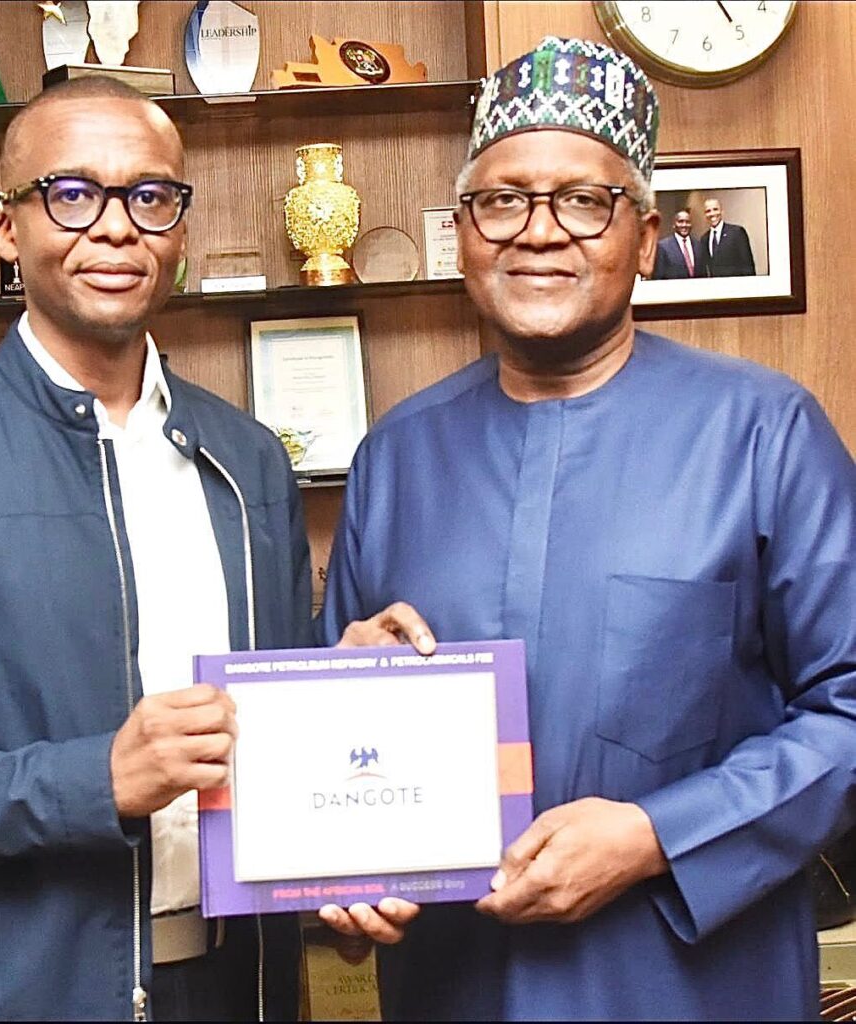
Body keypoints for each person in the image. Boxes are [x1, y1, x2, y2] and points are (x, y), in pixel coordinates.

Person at [316, 36, 856, 1021]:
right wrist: (339, 856)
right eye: (502, 199)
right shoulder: (394, 456)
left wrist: (658, 835)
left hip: (693, 988)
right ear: (464, 229)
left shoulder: (764, 433)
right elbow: (331, 749)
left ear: (643, 237)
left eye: (582, 200)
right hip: (454, 990)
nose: (538, 231)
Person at [0, 77, 310, 1021]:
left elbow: (281, 722)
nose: (116, 228)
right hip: (29, 993)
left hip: (239, 984)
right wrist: (93, 781)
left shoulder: (247, 461)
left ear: (176, 223)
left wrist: (350, 676)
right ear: (8, 225)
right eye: (71, 193)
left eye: (148, 196)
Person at [700, 197, 757, 276]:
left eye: (715, 209)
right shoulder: (704, 239)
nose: (712, 213)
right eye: (708, 211)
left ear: (722, 211)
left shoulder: (737, 232)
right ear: (705, 215)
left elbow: (748, 266)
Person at [651, 207, 703, 279]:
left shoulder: (698, 245)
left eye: (687, 222)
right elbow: (658, 276)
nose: (684, 225)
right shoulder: (663, 247)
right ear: (674, 224)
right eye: (680, 221)